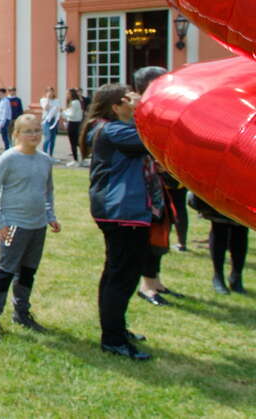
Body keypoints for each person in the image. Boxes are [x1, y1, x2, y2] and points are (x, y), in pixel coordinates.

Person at [80, 84, 153, 361]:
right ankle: (112, 338)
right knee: (121, 275)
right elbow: (151, 137)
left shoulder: (113, 128)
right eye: (129, 98)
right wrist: (144, 108)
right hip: (120, 210)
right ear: (116, 106)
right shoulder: (113, 130)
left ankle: (116, 329)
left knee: (120, 273)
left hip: (123, 209)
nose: (134, 101)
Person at [0, 114, 61, 342]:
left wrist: (50, 215)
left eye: (37, 130)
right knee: (5, 271)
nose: (33, 135)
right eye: (28, 131)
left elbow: (48, 191)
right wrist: (0, 223)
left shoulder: (45, 160)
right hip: (14, 225)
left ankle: (22, 312)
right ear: (16, 134)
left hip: (37, 226)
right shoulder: (8, 159)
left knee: (28, 271)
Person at [133, 66, 183, 307]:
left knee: (162, 232)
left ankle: (155, 280)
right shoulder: (138, 113)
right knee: (148, 237)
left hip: (161, 184)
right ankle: (147, 284)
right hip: (144, 187)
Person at [190, 193, 249, 294]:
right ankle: (218, 276)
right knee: (219, 228)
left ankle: (236, 276)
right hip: (223, 190)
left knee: (241, 230)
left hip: (245, 190)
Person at [62, 88, 84, 167]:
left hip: (73, 123)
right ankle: (81, 159)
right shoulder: (77, 102)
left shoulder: (74, 102)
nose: (67, 95)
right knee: (77, 142)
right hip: (76, 123)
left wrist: (62, 112)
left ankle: (76, 160)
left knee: (73, 142)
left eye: (68, 94)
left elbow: (71, 115)